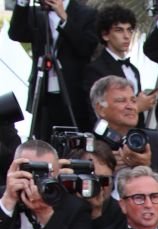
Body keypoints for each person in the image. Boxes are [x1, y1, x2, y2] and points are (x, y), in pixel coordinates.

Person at [9, 0, 98, 139]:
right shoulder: (37, 12)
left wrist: (64, 17)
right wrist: (22, 3)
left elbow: (86, 47)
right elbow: (16, 34)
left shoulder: (87, 14)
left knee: (74, 143)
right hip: (43, 93)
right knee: (42, 141)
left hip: (74, 94)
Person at [83, 4, 157, 125]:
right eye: (119, 30)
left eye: (129, 30)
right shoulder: (95, 70)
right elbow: (96, 113)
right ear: (105, 35)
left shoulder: (134, 70)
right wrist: (138, 106)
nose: (126, 36)